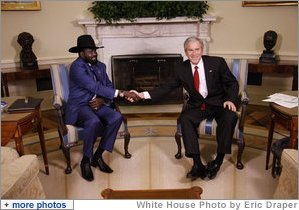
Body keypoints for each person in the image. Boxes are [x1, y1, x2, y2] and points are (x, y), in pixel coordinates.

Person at [132, 36, 239, 180]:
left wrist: (230, 99)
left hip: (220, 103)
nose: (194, 53)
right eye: (190, 50)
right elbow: (165, 88)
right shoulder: (180, 69)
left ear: (202, 49)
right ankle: (197, 164)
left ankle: (217, 161)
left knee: (230, 117)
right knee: (185, 118)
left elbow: (232, 83)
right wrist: (141, 95)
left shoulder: (217, 62)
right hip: (198, 105)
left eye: (197, 49)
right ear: (185, 52)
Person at [66, 35, 140, 181]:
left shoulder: (100, 66)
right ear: (81, 53)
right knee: (93, 121)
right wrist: (123, 93)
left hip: (97, 104)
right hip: (80, 106)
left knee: (116, 117)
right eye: (90, 51)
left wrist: (102, 100)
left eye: (94, 50)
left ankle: (98, 156)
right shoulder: (77, 67)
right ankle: (86, 160)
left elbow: (107, 86)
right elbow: (93, 86)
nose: (94, 54)